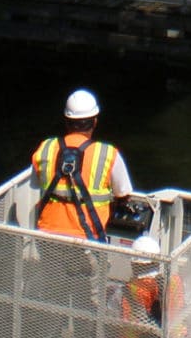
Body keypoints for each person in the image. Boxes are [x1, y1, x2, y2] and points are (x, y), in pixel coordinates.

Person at [31, 88, 133, 240]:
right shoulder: (108, 154)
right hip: (88, 240)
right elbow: (123, 193)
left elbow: (35, 185)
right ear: (95, 122)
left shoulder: (46, 147)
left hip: (46, 236)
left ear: (66, 121)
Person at [119, 235, 186, 338]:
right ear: (158, 261)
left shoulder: (133, 289)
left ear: (134, 264)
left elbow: (134, 321)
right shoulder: (174, 281)